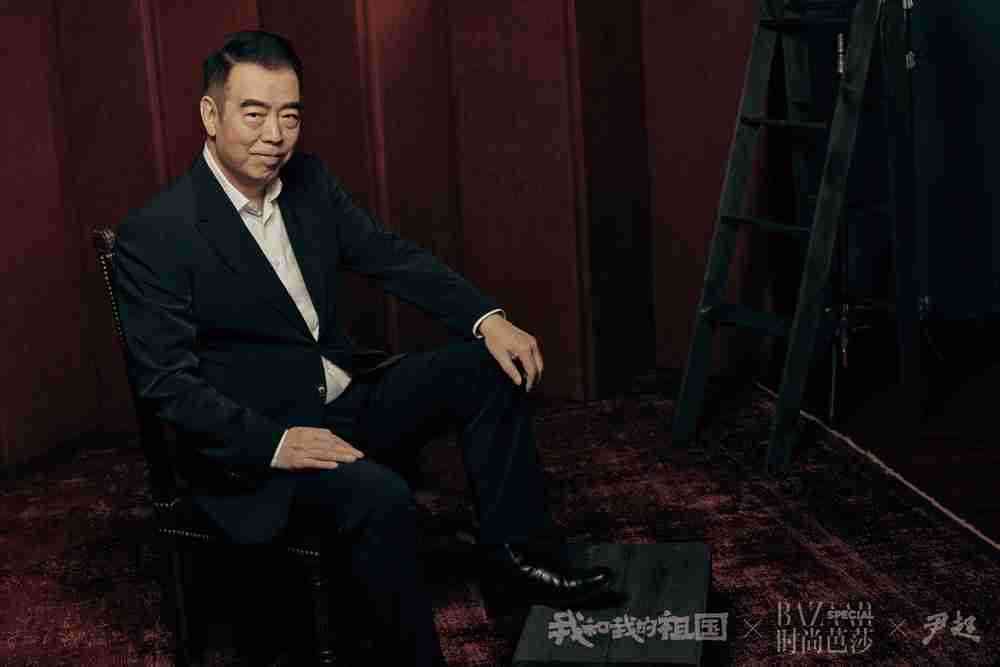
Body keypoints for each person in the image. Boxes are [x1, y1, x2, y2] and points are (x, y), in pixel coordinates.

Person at [114, 30, 612, 665]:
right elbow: (166, 384)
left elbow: (388, 256)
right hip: (262, 442)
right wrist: (275, 442)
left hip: (342, 398)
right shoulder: (159, 232)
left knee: (485, 368)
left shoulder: (308, 181)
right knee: (382, 497)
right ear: (211, 115)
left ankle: (517, 563)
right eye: (254, 114)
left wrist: (487, 319)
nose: (275, 135)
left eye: (290, 116)